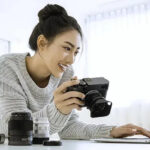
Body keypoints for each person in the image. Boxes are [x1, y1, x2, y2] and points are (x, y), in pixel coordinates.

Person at [0, 4, 150, 140]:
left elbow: (69, 128)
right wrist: (58, 109)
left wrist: (111, 131)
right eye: (67, 48)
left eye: (76, 52)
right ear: (42, 43)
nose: (71, 60)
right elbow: (14, 128)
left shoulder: (65, 73)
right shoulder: (7, 67)